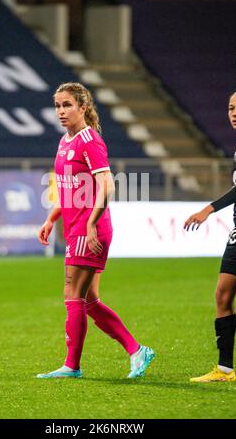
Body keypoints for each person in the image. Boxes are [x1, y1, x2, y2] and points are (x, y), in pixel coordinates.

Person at [37, 82, 154, 379]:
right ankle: (136, 350)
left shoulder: (90, 141)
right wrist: (51, 219)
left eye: (67, 105)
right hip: (76, 227)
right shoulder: (65, 141)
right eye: (58, 106)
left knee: (72, 294)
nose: (61, 111)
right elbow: (69, 190)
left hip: (90, 230)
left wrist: (90, 223)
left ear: (83, 107)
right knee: (88, 301)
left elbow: (107, 185)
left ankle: (71, 365)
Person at [184, 89, 236, 382]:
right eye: (231, 107)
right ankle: (224, 369)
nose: (234, 112)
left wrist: (209, 208)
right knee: (223, 294)